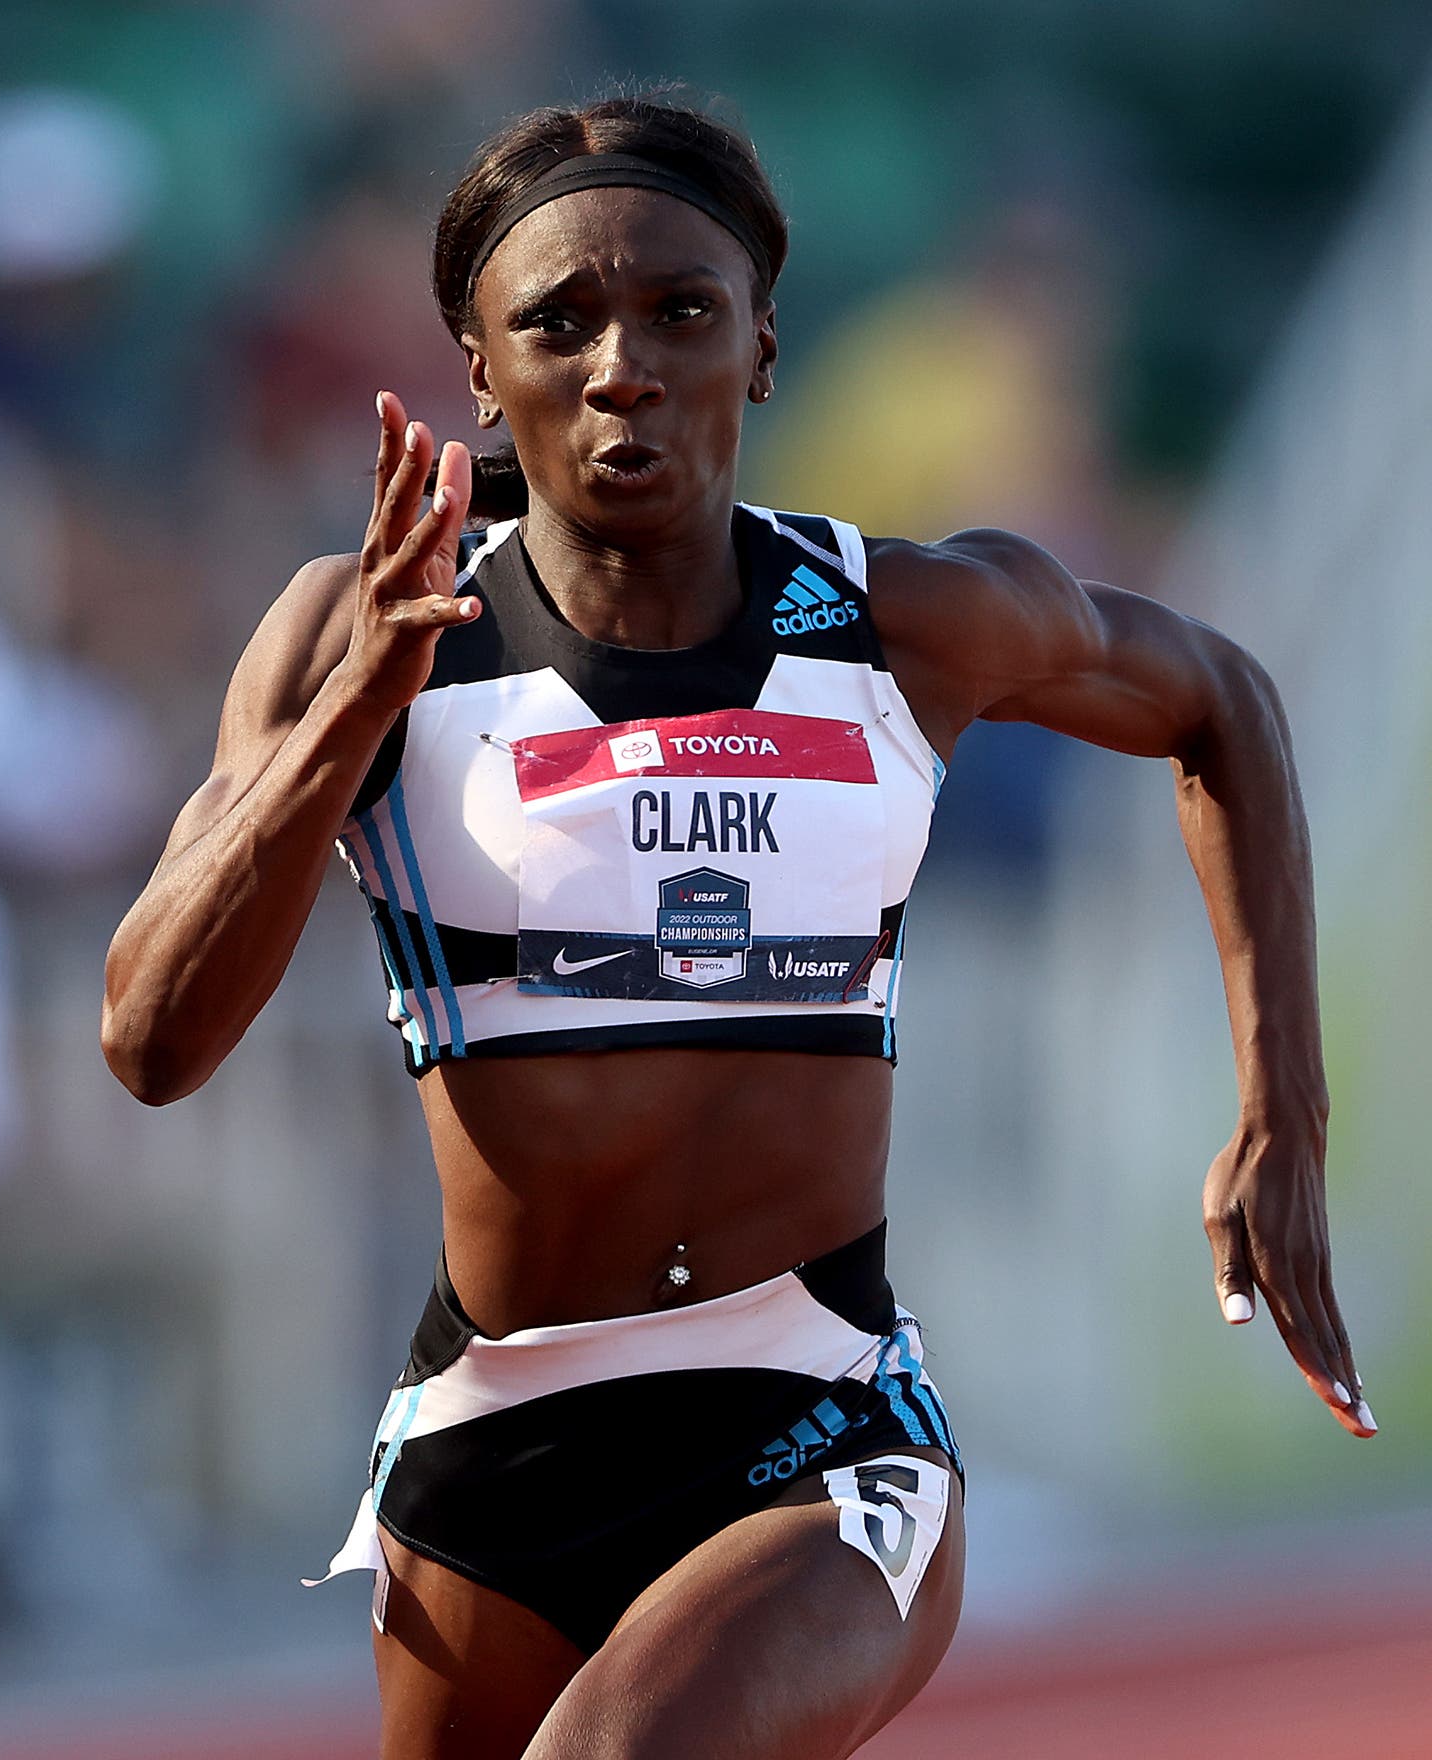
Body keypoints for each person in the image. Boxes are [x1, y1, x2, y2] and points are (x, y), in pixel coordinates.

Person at [101, 94, 1372, 1760]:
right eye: (558, 322)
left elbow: (1222, 697)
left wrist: (1284, 1114)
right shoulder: (366, 624)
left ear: (762, 347)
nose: (623, 364)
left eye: (680, 312)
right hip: (492, 1453)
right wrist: (356, 715)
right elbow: (149, 1040)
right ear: (481, 371)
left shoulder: (903, 620)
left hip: (816, 1421)